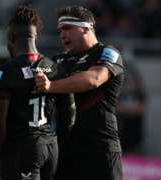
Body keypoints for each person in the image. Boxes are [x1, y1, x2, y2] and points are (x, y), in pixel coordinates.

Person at [35, 6, 124, 180]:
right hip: (65, 149)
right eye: (60, 30)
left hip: (100, 148)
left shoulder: (108, 53)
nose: (62, 35)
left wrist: (51, 86)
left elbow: (93, 79)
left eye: (67, 28)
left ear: (86, 27)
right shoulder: (59, 60)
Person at [0, 5, 75, 180]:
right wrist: (56, 143)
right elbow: (69, 113)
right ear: (36, 37)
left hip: (23, 149)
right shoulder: (55, 68)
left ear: (11, 38)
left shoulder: (5, 72)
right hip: (51, 148)